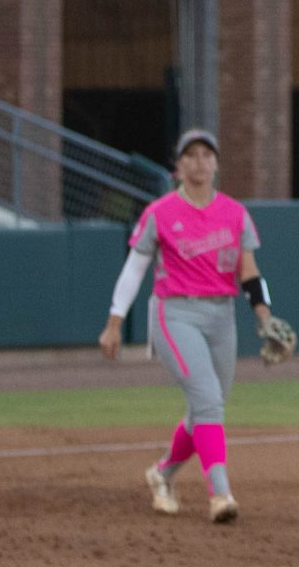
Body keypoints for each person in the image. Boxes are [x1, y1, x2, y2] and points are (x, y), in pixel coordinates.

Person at [97, 128, 282, 524]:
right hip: (174, 313)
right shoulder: (160, 212)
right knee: (209, 401)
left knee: (206, 408)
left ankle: (161, 475)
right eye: (191, 155)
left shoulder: (234, 213)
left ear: (215, 164)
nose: (200, 162)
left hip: (221, 315)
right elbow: (134, 270)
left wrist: (263, 315)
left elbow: (249, 273)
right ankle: (220, 494)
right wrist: (114, 323)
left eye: (206, 155)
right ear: (178, 166)